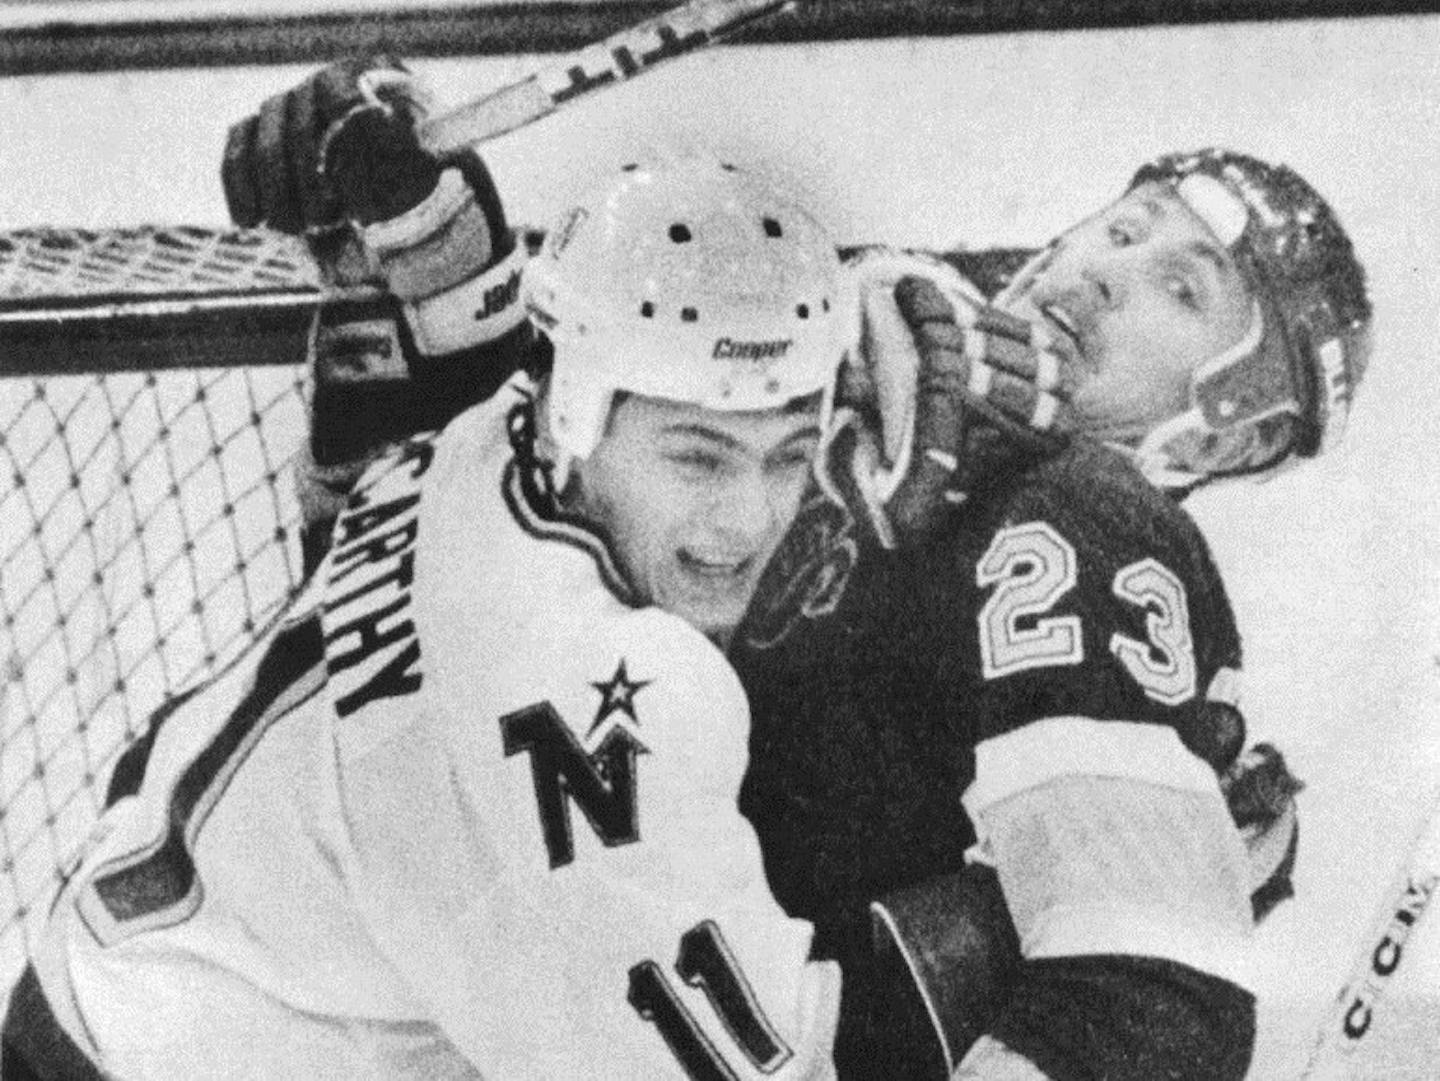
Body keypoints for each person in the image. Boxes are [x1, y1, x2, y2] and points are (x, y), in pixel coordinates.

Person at [2, 102, 883, 1081]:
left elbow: (463, 319)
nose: (747, 519)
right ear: (580, 416)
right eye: (698, 456)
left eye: (786, 456)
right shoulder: (586, 687)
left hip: (114, 980)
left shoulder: (492, 428)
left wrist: (403, 173)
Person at [730, 148, 1371, 1079]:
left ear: (1236, 430)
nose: (1108, 274)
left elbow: (1148, 999)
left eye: (1182, 291)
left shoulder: (1085, 518)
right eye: (1121, 230)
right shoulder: (895, 389)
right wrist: (858, 305)